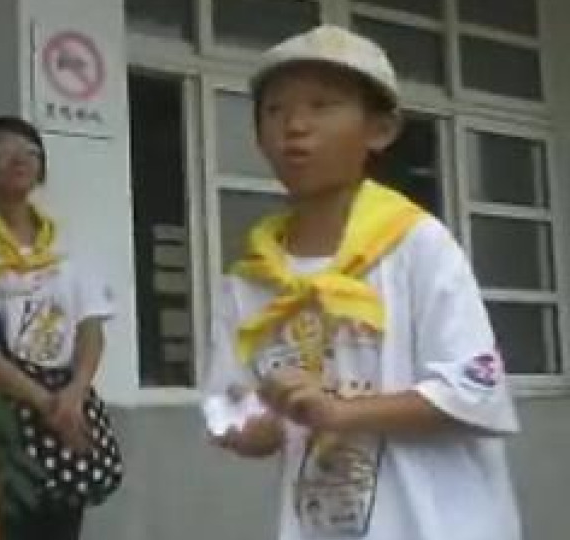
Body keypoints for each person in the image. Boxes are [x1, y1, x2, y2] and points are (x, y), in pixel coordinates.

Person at [204, 25, 521, 540]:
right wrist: (256, 428)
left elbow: (474, 390)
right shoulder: (251, 280)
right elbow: (228, 406)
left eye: (322, 105)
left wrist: (339, 411)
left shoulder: (416, 244)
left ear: (380, 130)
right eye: (275, 110)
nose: (295, 126)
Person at [0, 116, 116, 540]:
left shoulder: (66, 242)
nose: (18, 160)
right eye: (3, 151)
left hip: (66, 407)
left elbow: (91, 325)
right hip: (0, 414)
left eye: (30, 152)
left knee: (62, 522)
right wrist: (45, 402)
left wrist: (74, 393)